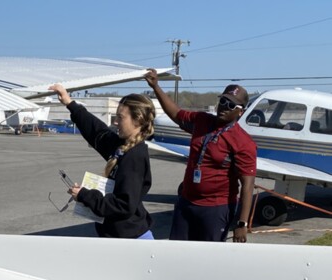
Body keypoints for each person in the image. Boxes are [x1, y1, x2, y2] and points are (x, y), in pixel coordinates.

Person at [145, 69, 257, 242]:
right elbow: (175, 113)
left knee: (207, 259)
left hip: (216, 208)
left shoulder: (243, 142)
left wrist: (242, 223)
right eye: (223, 101)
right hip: (187, 202)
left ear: (240, 112)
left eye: (231, 105)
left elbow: (248, 186)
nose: (224, 107)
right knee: (177, 252)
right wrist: (156, 87)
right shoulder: (202, 120)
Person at [49, 84, 155, 239]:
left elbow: (123, 205)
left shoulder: (134, 157)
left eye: (121, 117)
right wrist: (69, 103)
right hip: (121, 236)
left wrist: (86, 196)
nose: (116, 122)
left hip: (130, 240)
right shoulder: (122, 146)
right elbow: (97, 131)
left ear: (137, 120)